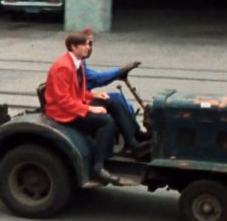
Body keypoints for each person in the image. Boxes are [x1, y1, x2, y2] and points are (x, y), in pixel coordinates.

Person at [43, 32, 119, 184]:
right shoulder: (63, 67)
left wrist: (95, 96)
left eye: (88, 44)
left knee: (113, 101)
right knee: (106, 122)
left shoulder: (77, 63)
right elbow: (63, 100)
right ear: (73, 47)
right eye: (84, 44)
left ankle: (134, 141)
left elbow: (78, 91)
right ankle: (98, 167)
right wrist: (90, 109)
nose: (88, 48)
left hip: (73, 105)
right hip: (63, 113)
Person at [82, 28, 149, 142]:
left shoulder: (80, 62)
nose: (90, 48)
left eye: (91, 44)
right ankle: (132, 138)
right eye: (88, 44)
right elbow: (96, 78)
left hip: (85, 96)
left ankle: (133, 133)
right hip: (82, 101)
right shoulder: (76, 64)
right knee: (116, 99)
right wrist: (118, 71)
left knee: (126, 104)